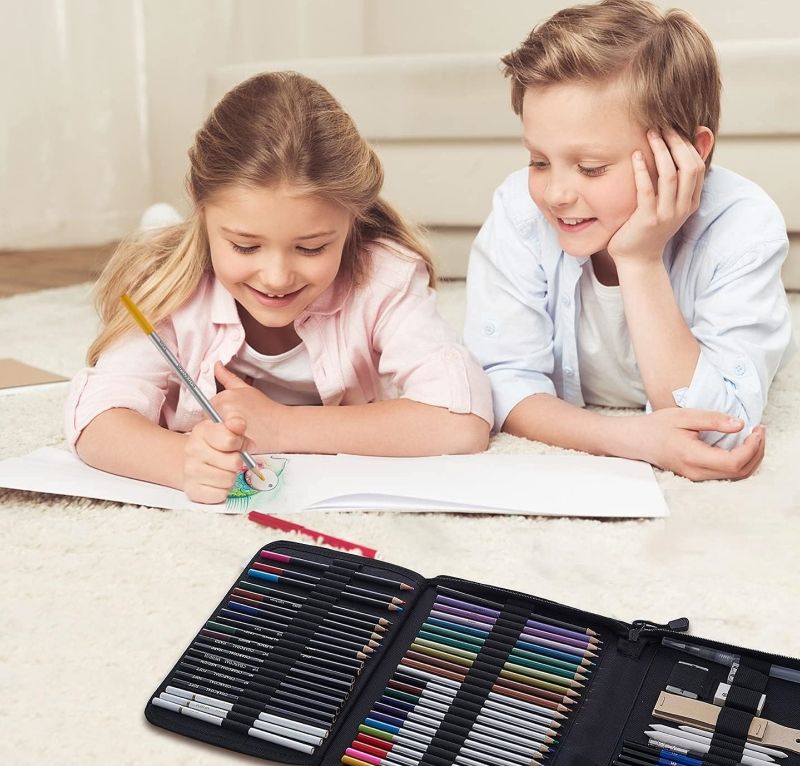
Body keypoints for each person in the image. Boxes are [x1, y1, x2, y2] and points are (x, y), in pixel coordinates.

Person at [66, 71, 492, 504]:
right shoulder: (166, 284)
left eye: (310, 248)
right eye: (245, 246)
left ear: (353, 218)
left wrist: (282, 425)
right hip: (177, 257)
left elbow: (463, 419)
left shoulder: (384, 276)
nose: (276, 278)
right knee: (158, 246)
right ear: (200, 205)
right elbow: (96, 418)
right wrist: (182, 463)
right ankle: (160, 226)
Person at [463, 0, 795, 481]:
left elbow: (717, 432)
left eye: (591, 168)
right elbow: (499, 382)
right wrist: (624, 437)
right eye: (538, 161)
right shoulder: (520, 211)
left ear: (687, 153)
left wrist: (640, 261)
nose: (555, 194)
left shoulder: (743, 227)